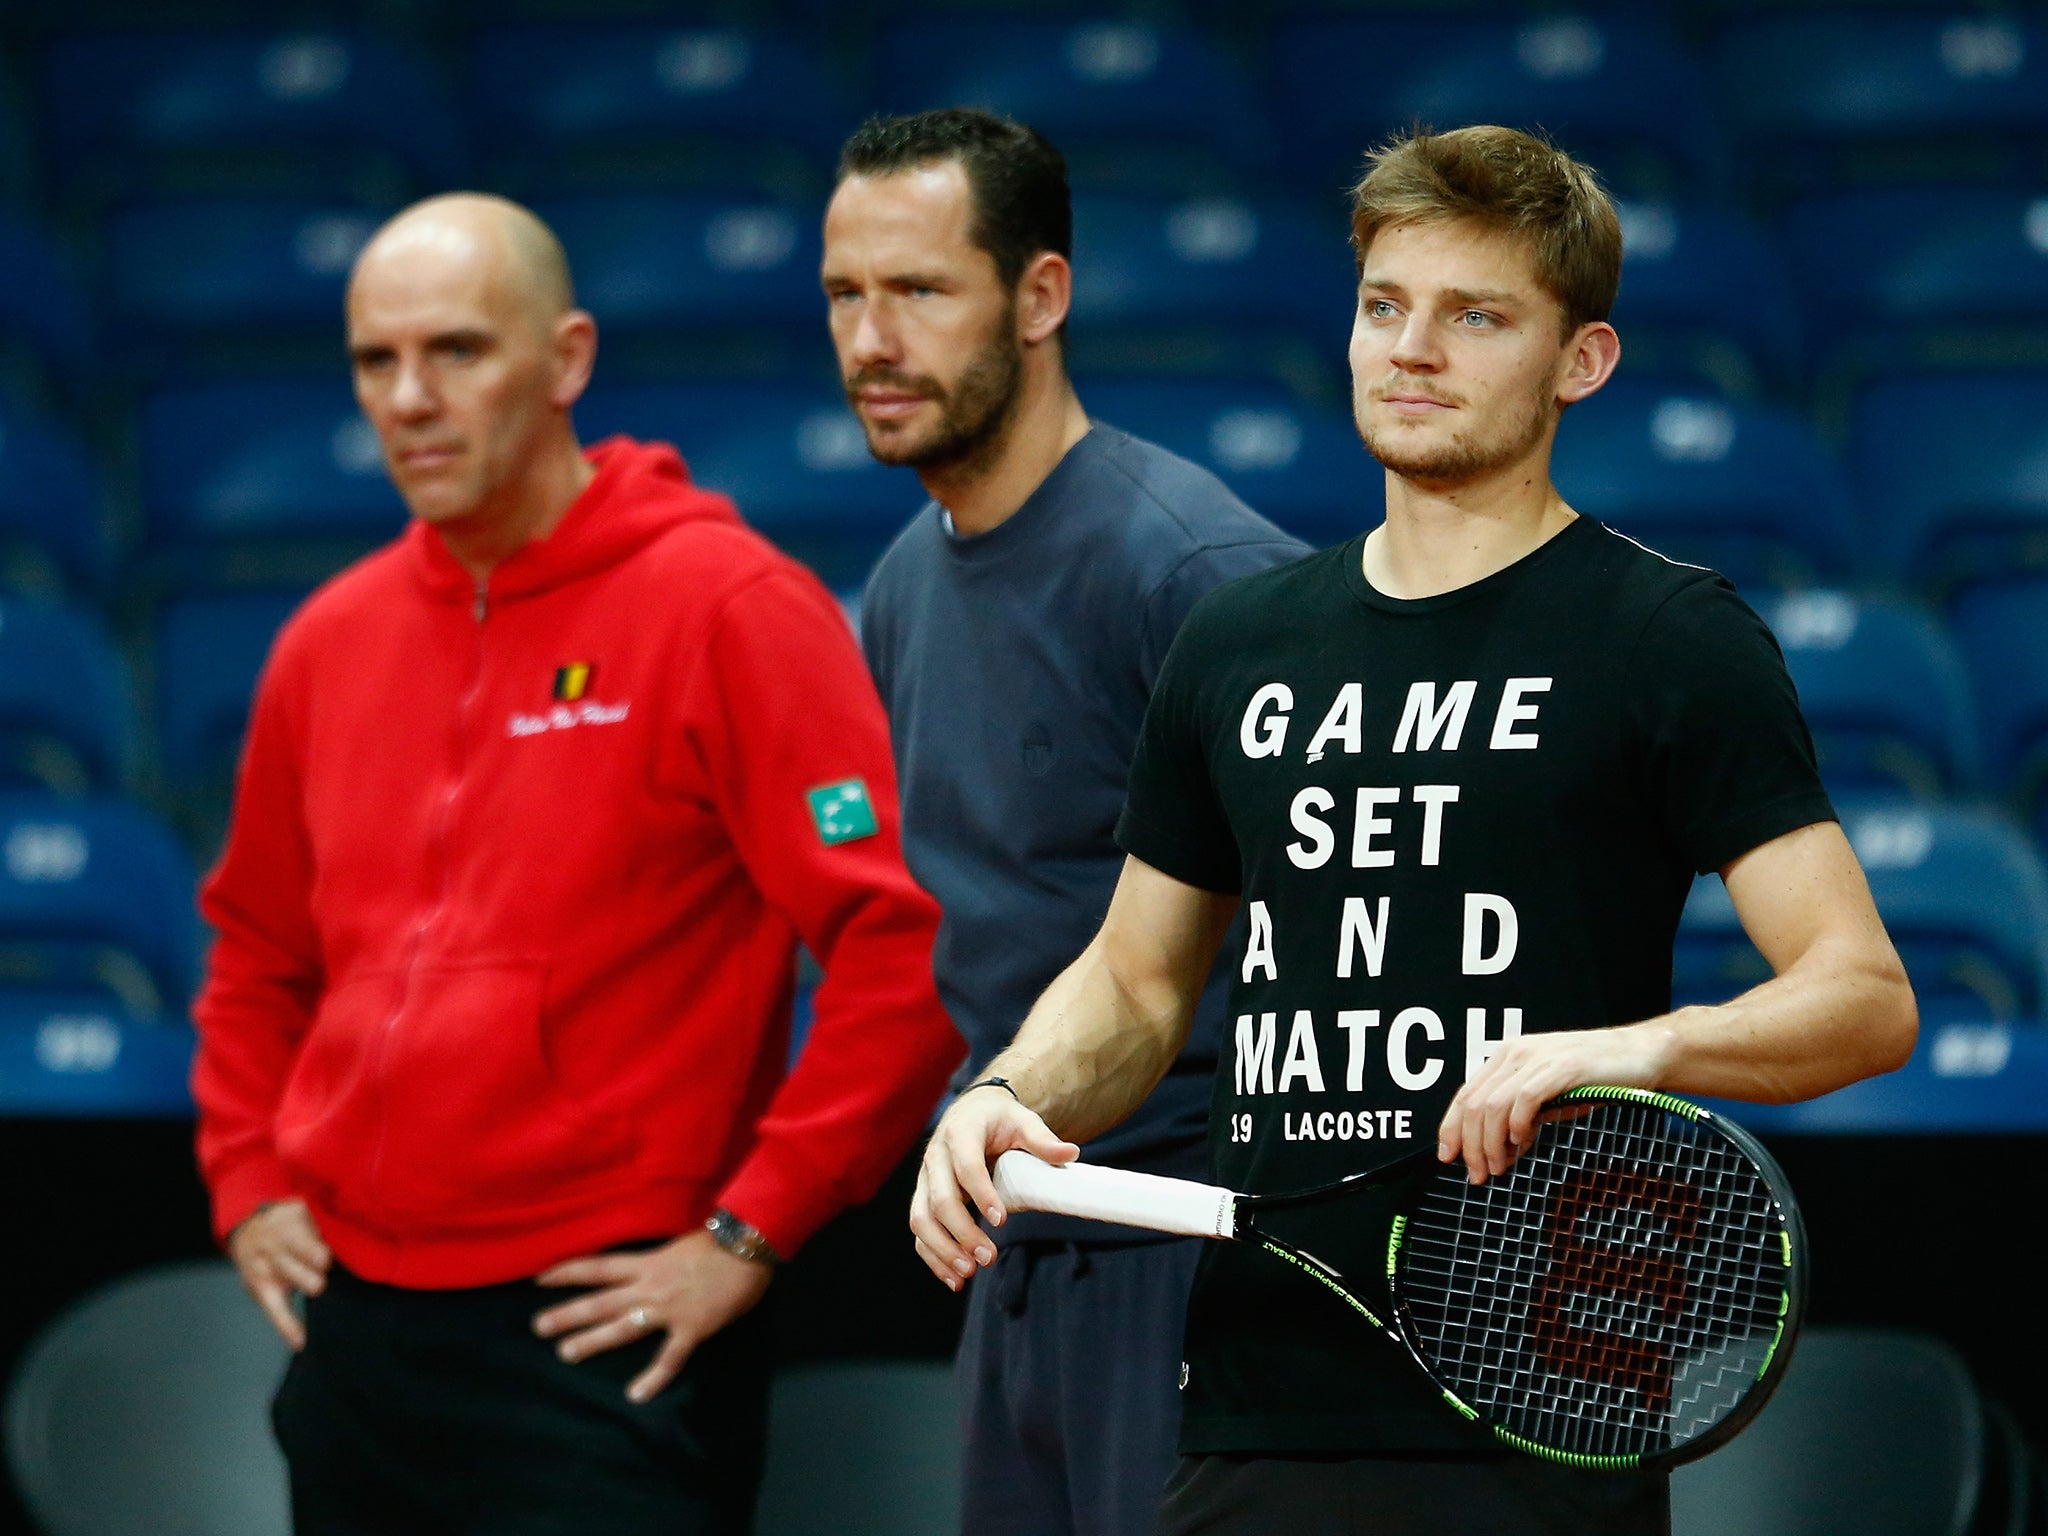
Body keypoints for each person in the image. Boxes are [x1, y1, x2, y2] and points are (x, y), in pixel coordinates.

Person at [909, 125, 1918, 1536]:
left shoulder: (1670, 640)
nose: (1413, 349)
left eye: (1476, 315)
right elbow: (1139, 981)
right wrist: (1015, 1091)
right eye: (1386, 306)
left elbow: (1863, 999)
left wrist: (1636, 1048)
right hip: (1256, 1392)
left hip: (1537, 1389)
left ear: (1584, 362)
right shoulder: (1239, 645)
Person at [191, 191, 964, 1536]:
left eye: (459, 352)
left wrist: (751, 1231)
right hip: (359, 1329)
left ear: (566, 359)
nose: (412, 399)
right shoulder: (329, 640)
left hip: (603, 1328)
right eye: (378, 362)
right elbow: (258, 952)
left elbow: (901, 949)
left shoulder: (728, 606)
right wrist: (247, 1175)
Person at [822, 108, 1307, 1536]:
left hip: (1197, 1243)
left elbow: (1351, 920)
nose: (871, 338)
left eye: (919, 290)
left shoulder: (1196, 570)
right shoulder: (903, 585)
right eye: (846, 295)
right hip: (1019, 1237)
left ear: (1041, 297)